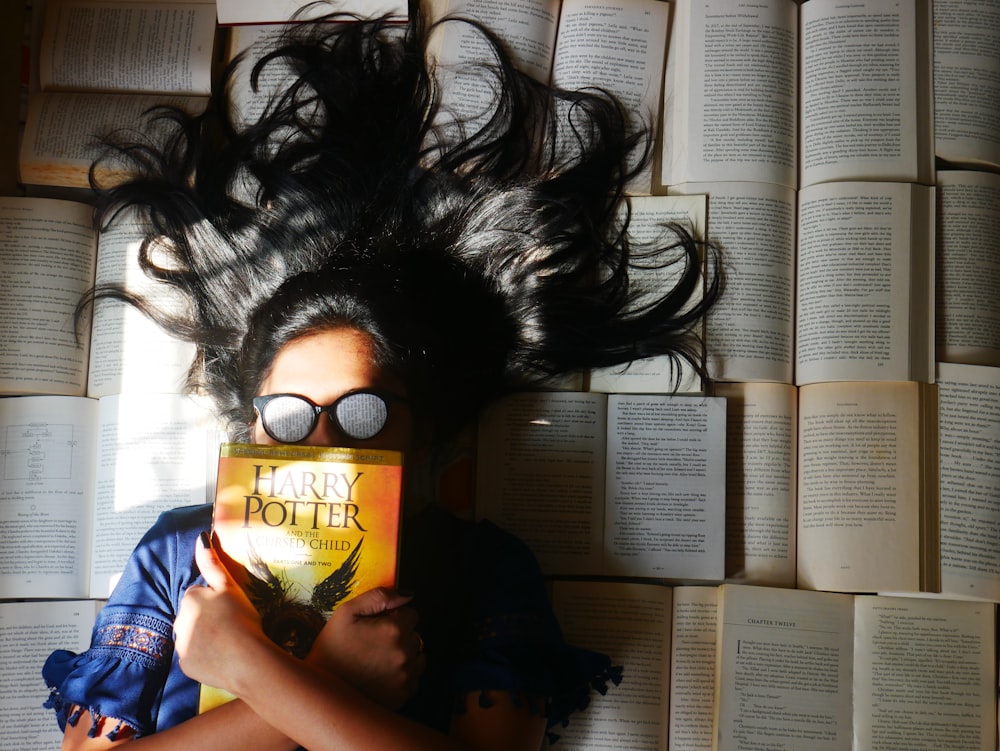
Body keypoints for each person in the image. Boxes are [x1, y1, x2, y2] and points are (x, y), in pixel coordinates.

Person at [42, 5, 721, 750]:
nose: (325, 442)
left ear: (421, 427)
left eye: (362, 413)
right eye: (291, 415)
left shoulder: (484, 567)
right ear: (253, 424)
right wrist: (329, 676)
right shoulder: (179, 553)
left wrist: (246, 664)